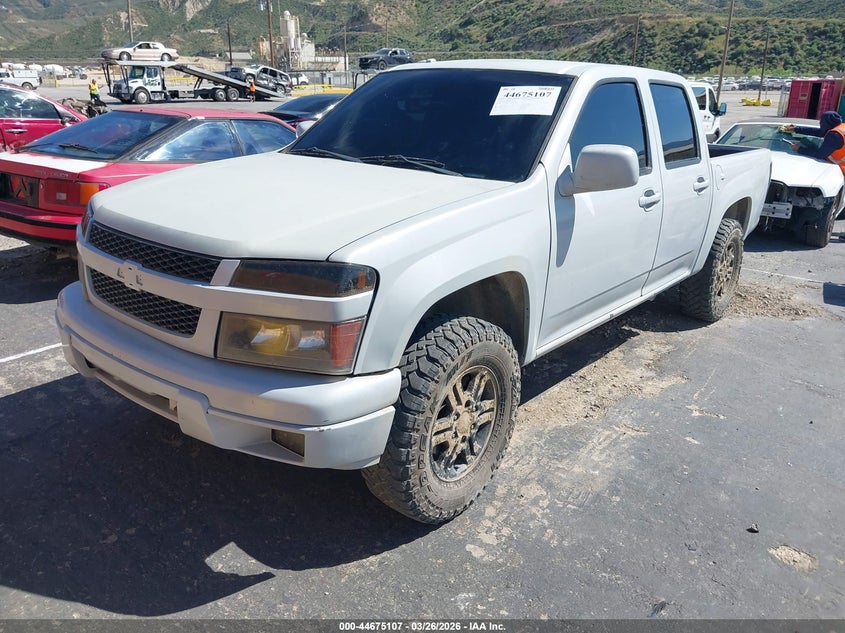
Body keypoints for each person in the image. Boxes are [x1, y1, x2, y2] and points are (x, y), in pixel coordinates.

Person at [782, 111, 845, 175]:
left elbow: (820, 154)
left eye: (821, 121)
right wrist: (796, 129)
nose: (819, 122)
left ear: (826, 123)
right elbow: (819, 132)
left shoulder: (835, 135)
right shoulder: (840, 127)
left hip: (841, 170)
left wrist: (799, 149)